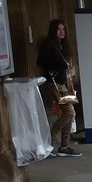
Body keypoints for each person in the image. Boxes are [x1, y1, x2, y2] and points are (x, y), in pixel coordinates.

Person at [36, 19, 82, 157]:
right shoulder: (49, 45)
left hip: (64, 84)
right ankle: (48, 142)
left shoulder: (60, 46)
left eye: (63, 29)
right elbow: (41, 62)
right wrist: (60, 65)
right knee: (69, 114)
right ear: (53, 31)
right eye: (58, 29)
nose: (62, 32)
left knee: (69, 114)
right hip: (55, 84)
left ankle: (64, 147)